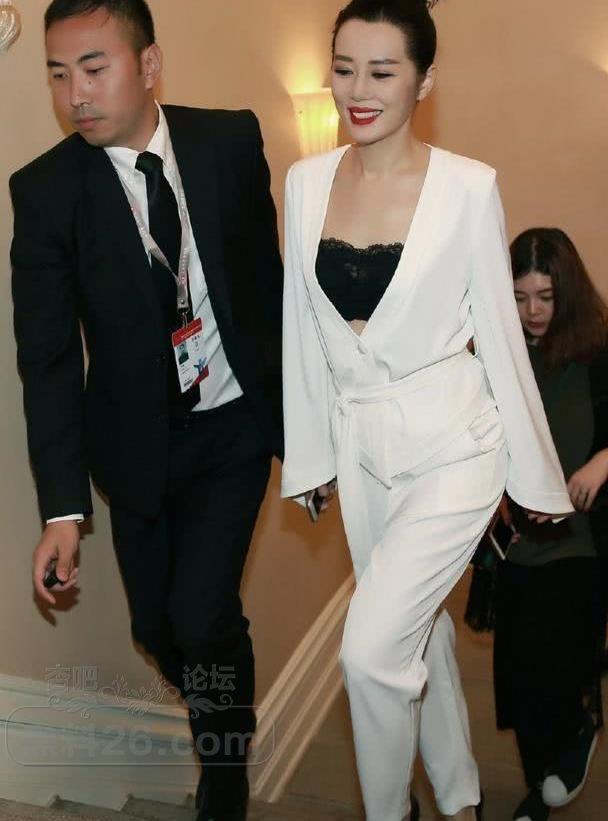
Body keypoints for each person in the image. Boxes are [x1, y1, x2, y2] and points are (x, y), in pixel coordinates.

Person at [280, 2, 573, 820]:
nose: (358, 90)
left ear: (424, 80)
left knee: (371, 651)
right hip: (361, 449)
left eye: (382, 72)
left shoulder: (468, 187)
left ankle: (391, 811)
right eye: (344, 69)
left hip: (454, 446)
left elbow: (501, 336)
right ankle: (459, 795)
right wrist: (313, 456)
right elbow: (301, 327)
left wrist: (536, 479)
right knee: (418, 632)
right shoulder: (304, 182)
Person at [10, 2, 283, 820]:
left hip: (233, 427)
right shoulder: (46, 191)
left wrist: (311, 433)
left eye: (94, 68)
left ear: (149, 64)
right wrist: (62, 512)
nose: (76, 94)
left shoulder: (229, 142)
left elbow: (267, 289)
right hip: (135, 450)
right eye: (59, 74)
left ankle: (224, 770)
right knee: (159, 626)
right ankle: (224, 711)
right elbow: (49, 361)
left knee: (202, 613)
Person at [493, 227, 608, 821]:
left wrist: (603, 461)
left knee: (547, 651)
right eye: (519, 297)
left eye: (545, 296)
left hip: (583, 538)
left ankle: (579, 727)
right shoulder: (499, 354)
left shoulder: (599, 351)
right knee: (516, 674)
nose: (532, 311)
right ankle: (541, 782)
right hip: (520, 539)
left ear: (568, 293)